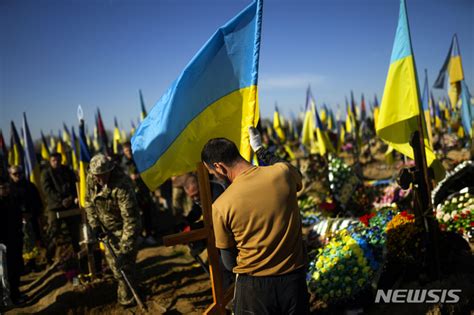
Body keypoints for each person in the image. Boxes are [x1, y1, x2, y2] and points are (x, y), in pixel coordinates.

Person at [200, 127, 309, 315]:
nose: (214, 177)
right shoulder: (282, 174)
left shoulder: (221, 205)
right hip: (294, 282)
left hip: (254, 289)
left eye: (212, 172)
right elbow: (292, 170)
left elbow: (228, 261)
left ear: (219, 166)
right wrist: (260, 150)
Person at [84, 153, 141, 307]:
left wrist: (124, 250)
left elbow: (131, 220)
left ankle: (127, 300)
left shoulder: (122, 185)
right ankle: (130, 289)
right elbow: (88, 202)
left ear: (109, 171)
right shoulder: (92, 178)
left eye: (102, 175)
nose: (98, 179)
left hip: (125, 228)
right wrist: (94, 225)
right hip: (105, 229)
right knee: (116, 268)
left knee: (125, 263)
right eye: (96, 175)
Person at [41, 152, 81, 259]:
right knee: (53, 232)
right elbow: (48, 190)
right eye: (54, 160)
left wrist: (71, 198)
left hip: (70, 204)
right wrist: (61, 200)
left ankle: (77, 255)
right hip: (55, 206)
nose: (56, 162)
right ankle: (49, 257)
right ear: (50, 161)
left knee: (74, 231)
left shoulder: (67, 170)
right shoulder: (46, 173)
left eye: (58, 160)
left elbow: (74, 185)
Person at [122, 141, 157, 245]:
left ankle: (149, 235)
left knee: (147, 212)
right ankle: (140, 236)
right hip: (131, 193)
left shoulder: (138, 160)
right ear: (123, 151)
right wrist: (129, 177)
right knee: (136, 215)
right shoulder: (122, 164)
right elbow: (121, 178)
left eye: (129, 150)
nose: (128, 152)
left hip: (143, 190)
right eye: (126, 150)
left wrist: (140, 175)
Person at [0, 179, 26, 305]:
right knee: (6, 272)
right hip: (3, 242)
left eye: (6, 187)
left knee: (16, 269)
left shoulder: (12, 200)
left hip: (15, 239)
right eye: (2, 188)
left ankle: (16, 293)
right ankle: (10, 297)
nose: (5, 190)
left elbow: (18, 216)